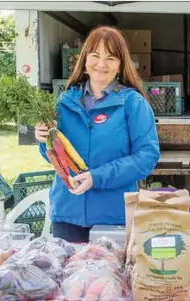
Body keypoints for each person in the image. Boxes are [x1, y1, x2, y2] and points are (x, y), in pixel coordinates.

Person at [35, 26, 160, 243]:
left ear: (120, 65)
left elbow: (146, 157)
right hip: (68, 214)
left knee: (109, 277)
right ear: (84, 61)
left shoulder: (133, 103)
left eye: (110, 58)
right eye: (95, 55)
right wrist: (43, 139)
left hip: (113, 217)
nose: (101, 64)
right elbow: (55, 157)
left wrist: (97, 177)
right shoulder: (63, 102)